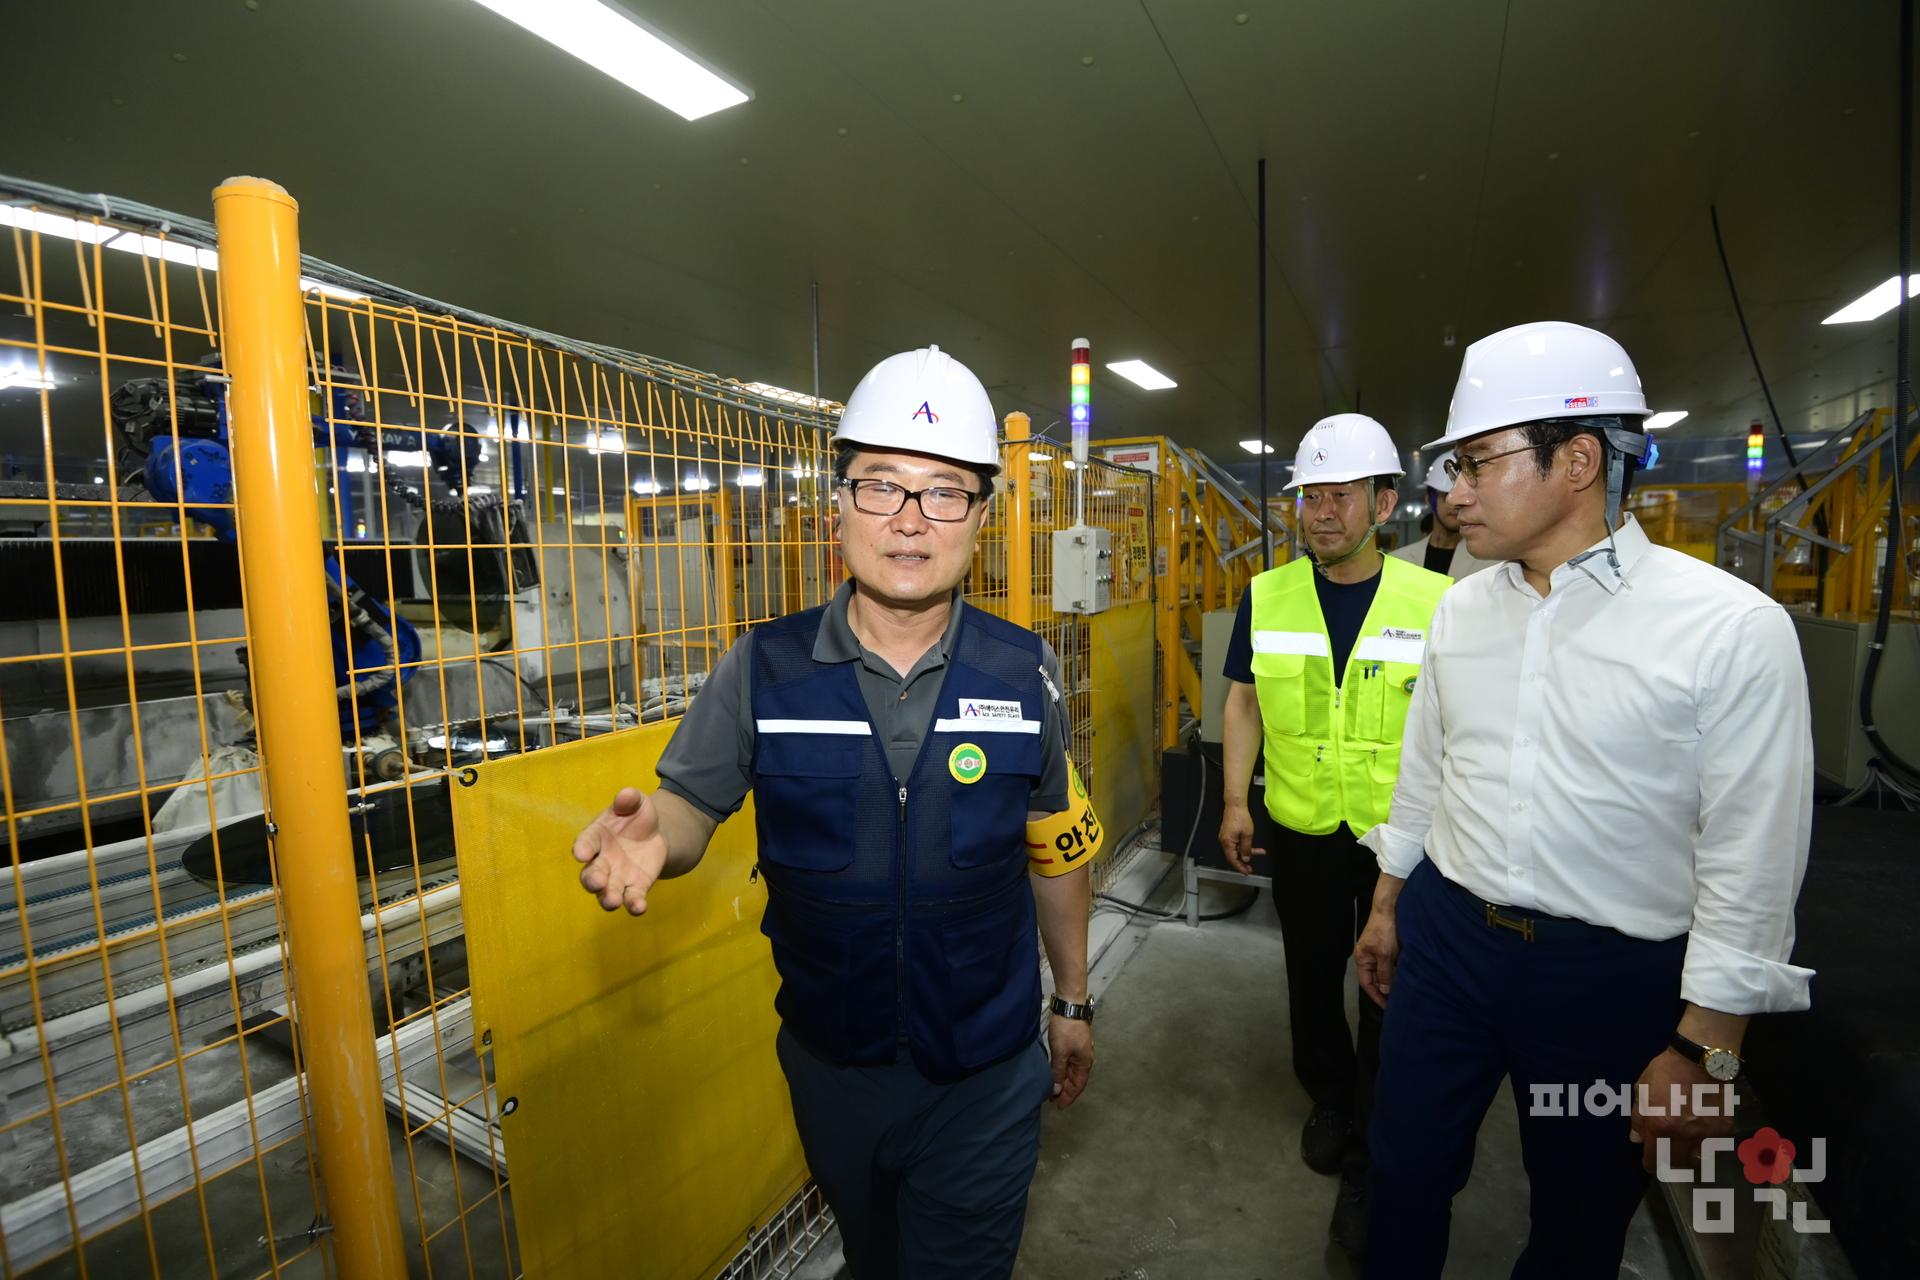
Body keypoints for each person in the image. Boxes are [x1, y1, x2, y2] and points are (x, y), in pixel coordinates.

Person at [570, 345, 1103, 1280]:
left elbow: (1056, 853)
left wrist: (1072, 1001)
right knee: (874, 1258)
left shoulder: (1025, 674)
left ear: (982, 517)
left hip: (985, 1068)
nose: (908, 521)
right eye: (881, 487)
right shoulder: (764, 668)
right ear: (838, 508)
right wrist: (660, 832)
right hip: (831, 1066)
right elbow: (692, 804)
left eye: (944, 493)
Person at [1353, 321, 1815, 1278]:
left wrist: (1706, 1054)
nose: (1454, 493)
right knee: (1400, 1173)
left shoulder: (1730, 631)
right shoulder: (1461, 613)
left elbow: (1753, 860)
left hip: (1611, 981)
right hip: (1447, 942)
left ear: (1576, 460)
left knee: (1578, 1216)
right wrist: (1389, 905)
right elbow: (1426, 773)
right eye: (1451, 467)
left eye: (1477, 463)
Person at [1216, 414, 1452, 1259]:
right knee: (1312, 970)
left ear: (1384, 504)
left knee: (1389, 983)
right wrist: (1237, 801)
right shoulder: (1267, 594)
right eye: (1310, 497)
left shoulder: (1434, 601)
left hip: (1400, 833)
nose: (1320, 512)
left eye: (1339, 496)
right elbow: (1242, 699)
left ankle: (1377, 1123)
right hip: (1306, 821)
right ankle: (1328, 1094)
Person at [1390, 448, 1497, 580]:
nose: (1455, 502)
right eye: (1446, 495)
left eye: (1465, 495)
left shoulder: (1492, 565)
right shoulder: (1398, 561)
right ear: (1429, 499)